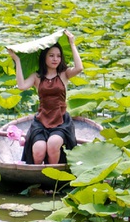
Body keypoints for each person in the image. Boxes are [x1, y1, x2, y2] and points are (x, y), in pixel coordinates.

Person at [6, 30, 83, 165]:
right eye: (51, 56)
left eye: (58, 56)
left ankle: (51, 176)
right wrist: (17, 60)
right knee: (39, 149)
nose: (55, 59)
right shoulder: (37, 77)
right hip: (41, 121)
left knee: (53, 144)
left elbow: (79, 68)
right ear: (44, 57)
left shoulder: (64, 74)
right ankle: (37, 178)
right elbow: (21, 86)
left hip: (61, 121)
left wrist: (72, 44)